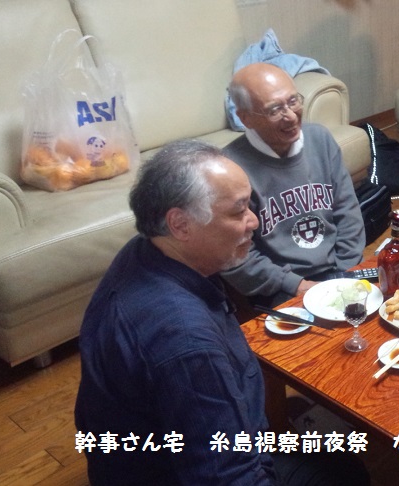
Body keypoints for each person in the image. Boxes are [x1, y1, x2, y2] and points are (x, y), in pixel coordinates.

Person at [74, 140, 369, 485]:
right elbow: (227, 477)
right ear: (180, 224)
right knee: (346, 474)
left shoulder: (147, 251)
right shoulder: (185, 341)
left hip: (167, 449)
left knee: (339, 459)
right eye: (238, 211)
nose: (254, 221)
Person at [223, 63, 365, 306]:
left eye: (293, 101)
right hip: (280, 285)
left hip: (337, 269)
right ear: (245, 118)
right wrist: (296, 285)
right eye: (275, 109)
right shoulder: (230, 170)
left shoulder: (320, 139)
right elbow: (237, 257)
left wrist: (345, 271)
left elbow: (348, 212)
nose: (290, 115)